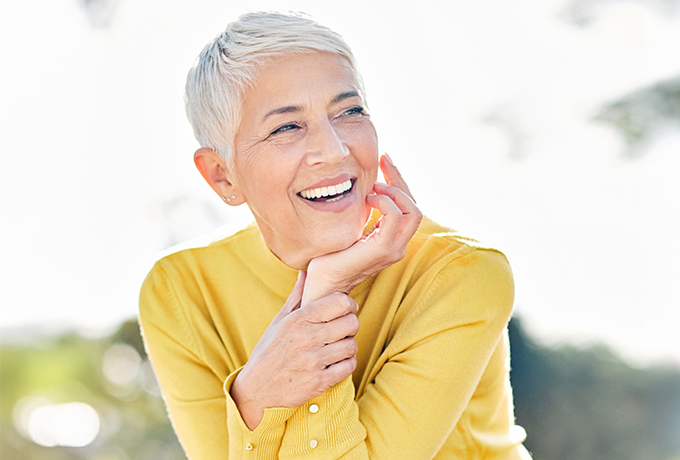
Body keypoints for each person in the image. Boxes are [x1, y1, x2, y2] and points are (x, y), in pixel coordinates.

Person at [139, 11, 530, 459]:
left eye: (350, 111)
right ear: (222, 176)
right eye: (287, 126)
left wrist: (323, 296)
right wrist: (254, 396)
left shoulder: (463, 274)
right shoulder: (180, 290)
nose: (335, 149)